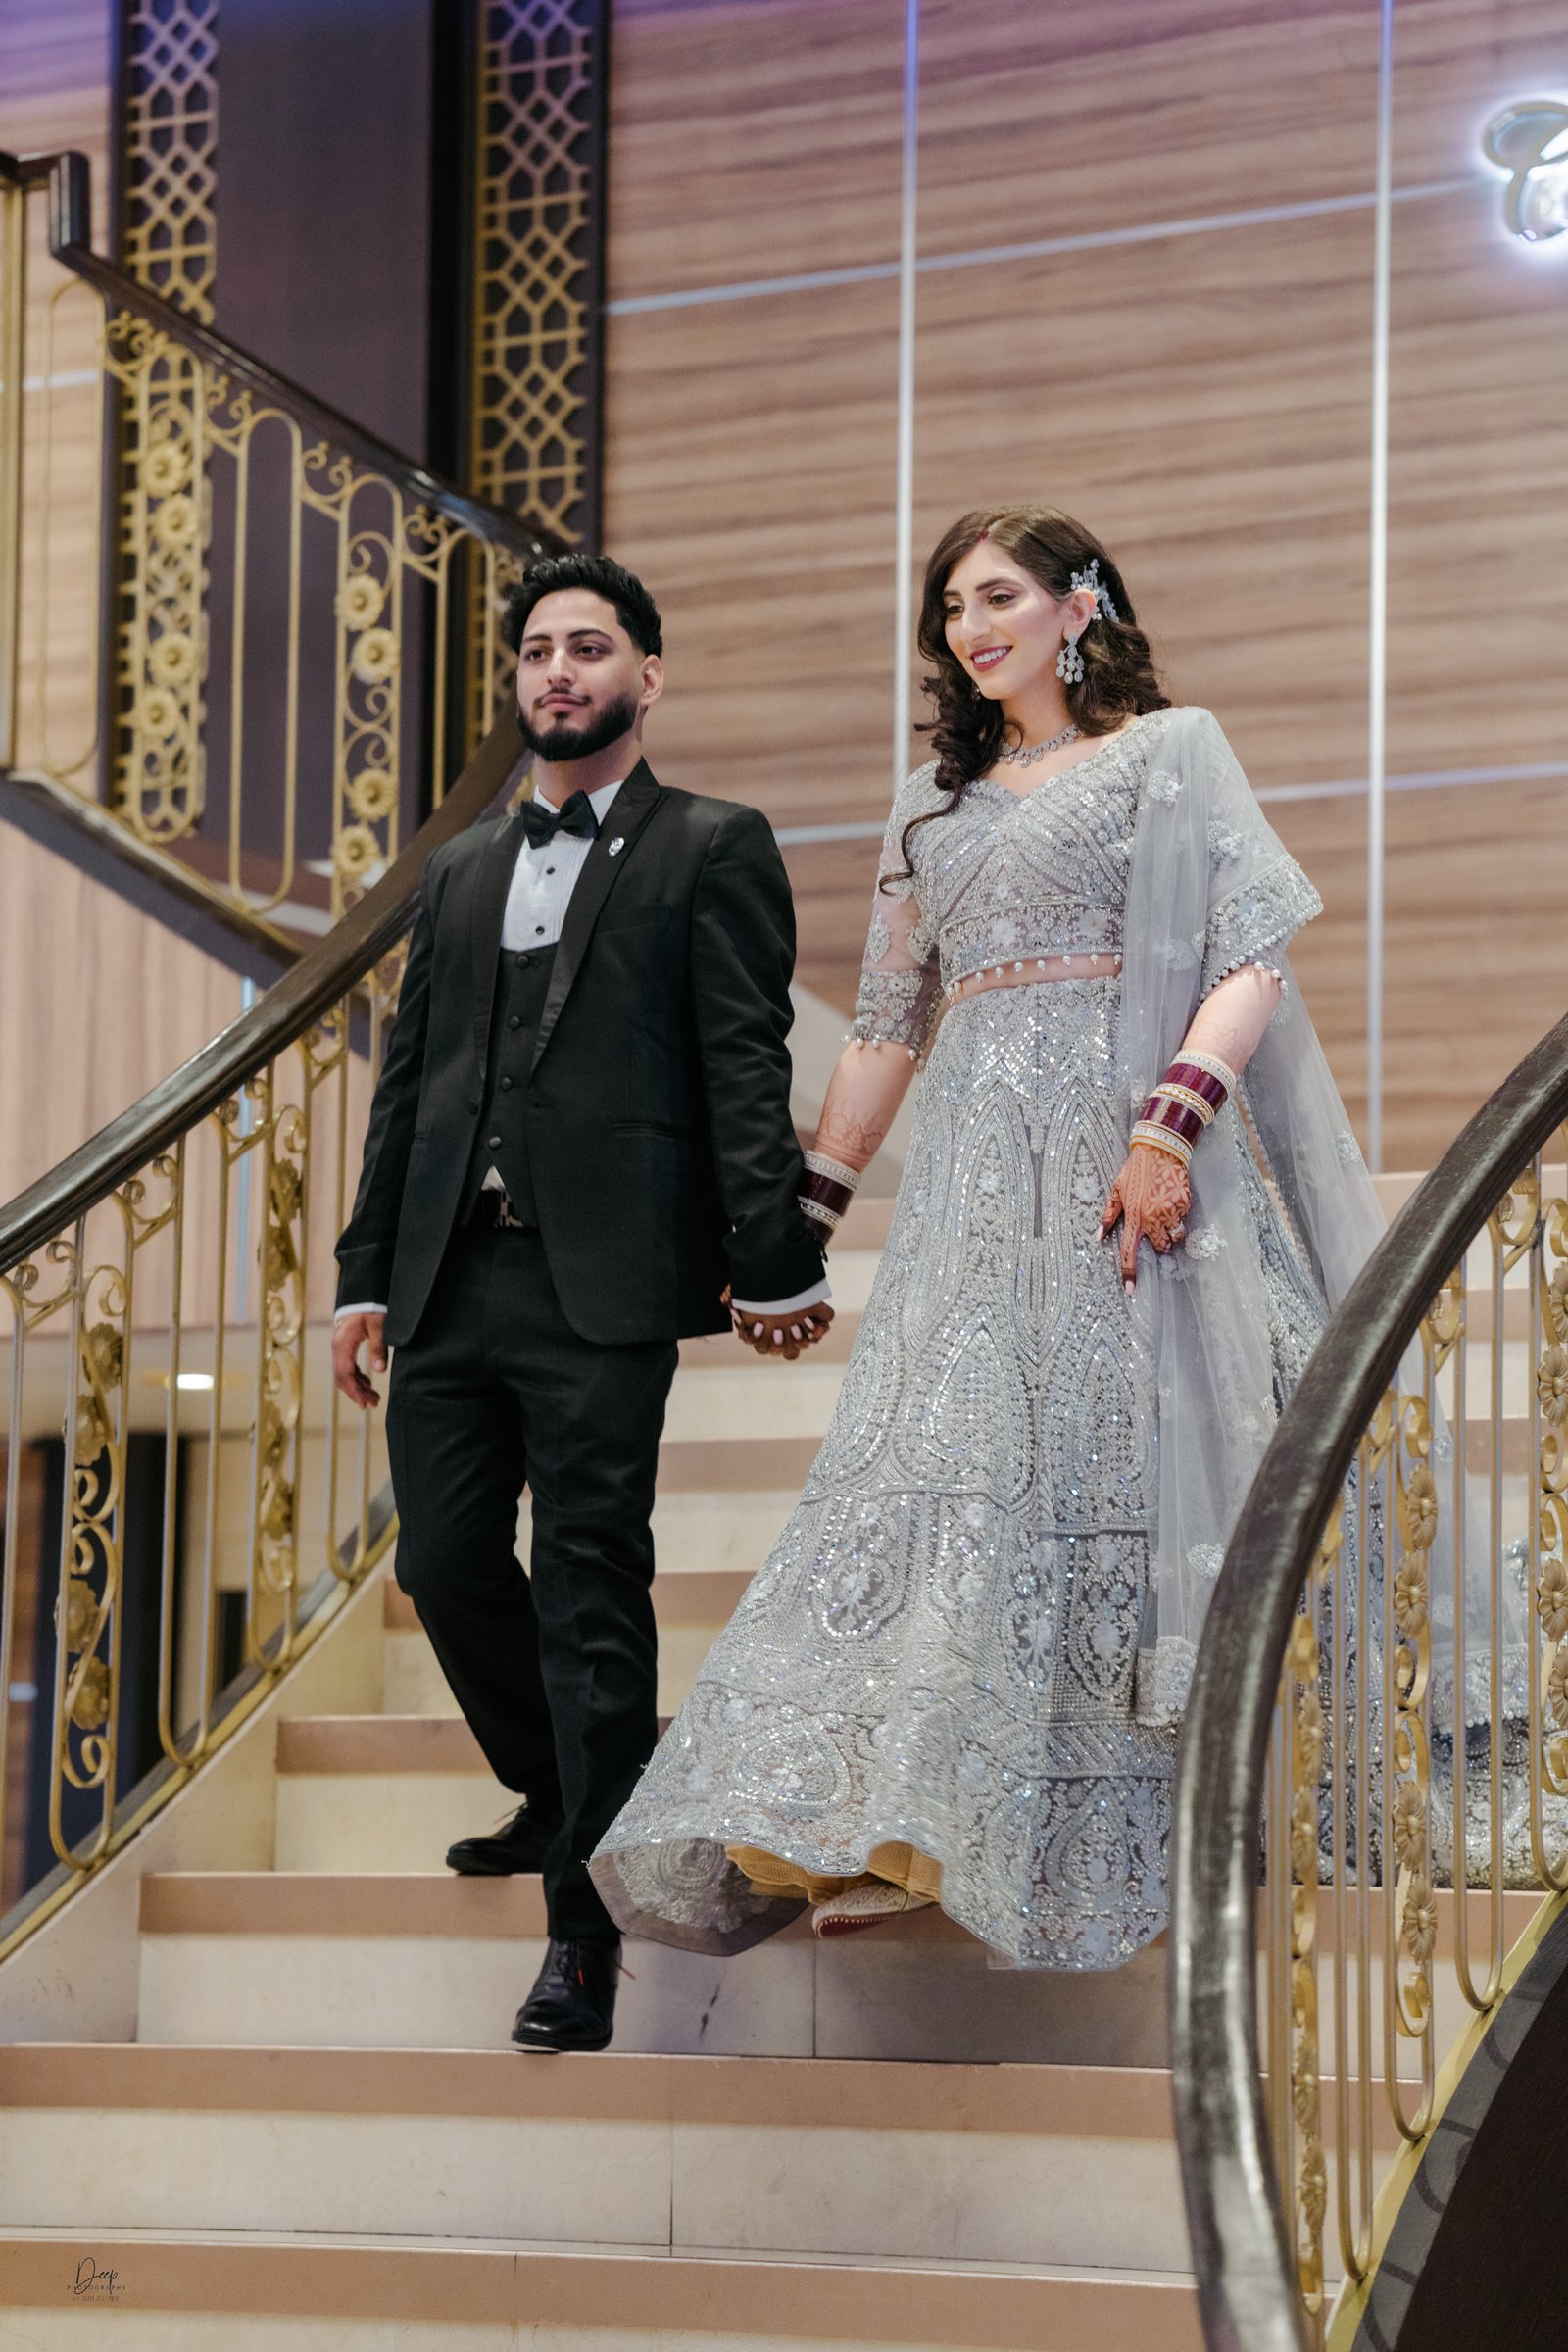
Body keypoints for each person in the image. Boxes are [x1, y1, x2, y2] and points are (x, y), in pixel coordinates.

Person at [590, 505, 1389, 1968]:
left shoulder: (1167, 752)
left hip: (1130, 1170)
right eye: (952, 604)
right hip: (971, 1186)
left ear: (1078, 605)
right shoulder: (927, 806)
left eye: (1001, 593)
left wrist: (1170, 1130)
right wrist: (803, 1214)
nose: (972, 624)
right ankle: (899, 1816)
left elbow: (1249, 958)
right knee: (936, 1466)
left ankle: (1131, 1804)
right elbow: (891, 1025)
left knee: (1118, 1458)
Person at [331, 553, 833, 2051]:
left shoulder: (712, 845)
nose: (560, 670)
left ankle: (581, 1932)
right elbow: (409, 1083)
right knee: (443, 1558)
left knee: (596, 1589)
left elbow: (742, 1059)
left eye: (591, 648)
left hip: (599, 1283)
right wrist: (363, 1273)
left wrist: (777, 1246)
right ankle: (565, 1782)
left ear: (645, 677)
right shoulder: (462, 868)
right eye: (540, 650)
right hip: (447, 1276)